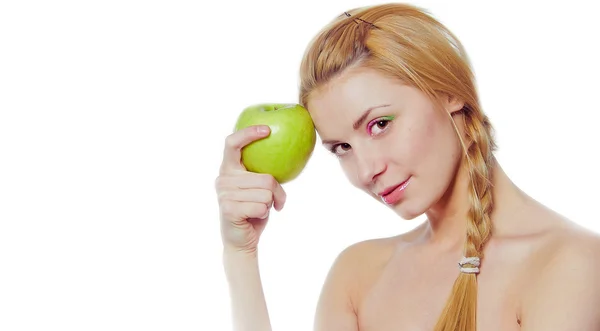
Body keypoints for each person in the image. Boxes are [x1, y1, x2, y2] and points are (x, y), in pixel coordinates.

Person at [215, 3, 600, 331]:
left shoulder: (571, 266)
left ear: (448, 91)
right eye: (342, 148)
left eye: (380, 124)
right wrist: (241, 256)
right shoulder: (357, 274)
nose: (366, 171)